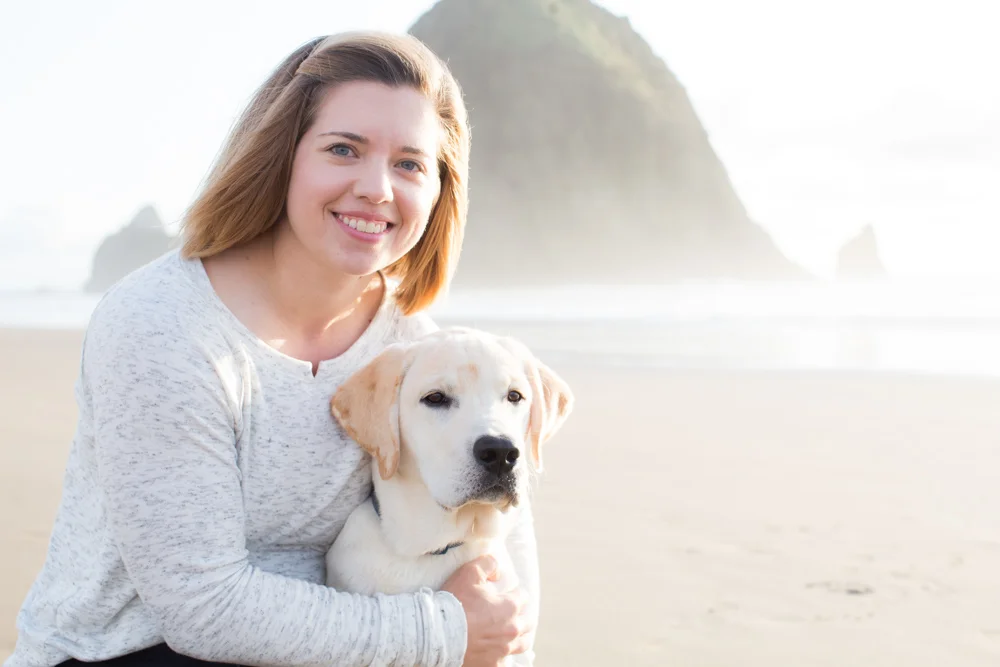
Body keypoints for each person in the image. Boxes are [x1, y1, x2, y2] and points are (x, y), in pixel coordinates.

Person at [7, 32, 539, 667]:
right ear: (281, 156)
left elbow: (506, 579)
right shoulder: (165, 328)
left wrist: (495, 633)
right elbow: (202, 608)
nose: (376, 187)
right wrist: (443, 633)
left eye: (410, 163)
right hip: (127, 652)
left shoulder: (419, 356)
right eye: (343, 149)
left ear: (439, 189)